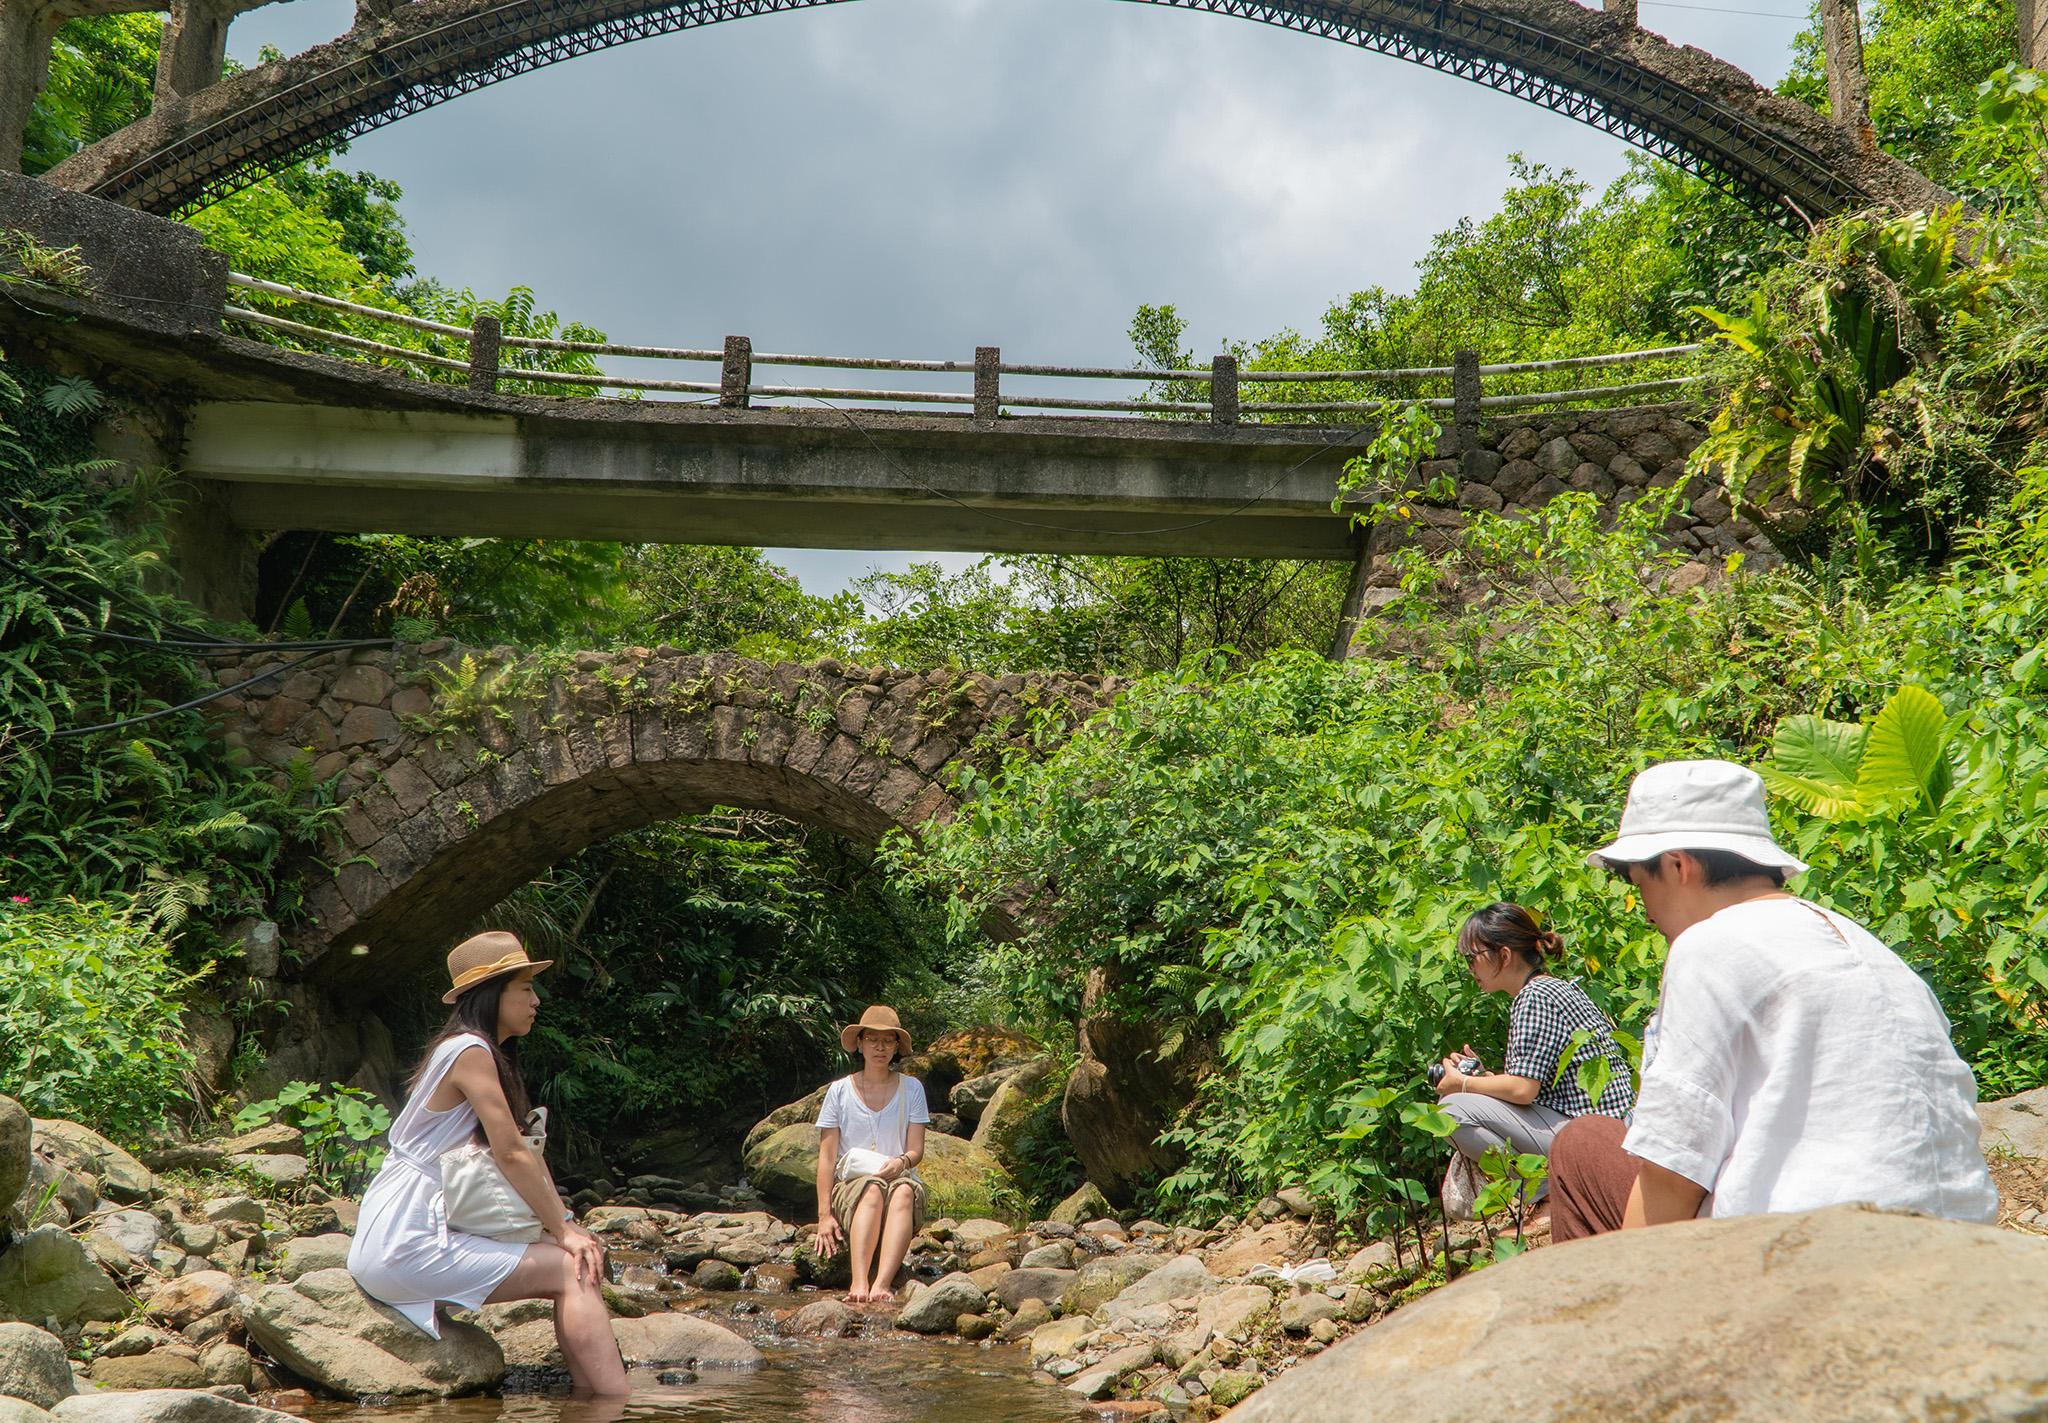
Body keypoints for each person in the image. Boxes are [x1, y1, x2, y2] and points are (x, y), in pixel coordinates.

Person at [1549, 759, 2000, 1242]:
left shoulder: (1709, 944)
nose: (1646, 910)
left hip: (1809, 1247)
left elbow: (1672, 1168)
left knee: (1584, 1143)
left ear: (1679, 865)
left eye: (1642, 885)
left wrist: (1618, 1282)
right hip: (1959, 1234)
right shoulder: (1866, 945)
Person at [348, 931, 627, 1395]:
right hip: (405, 1241)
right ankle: (611, 1404)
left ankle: (595, 1399)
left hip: (403, 1231)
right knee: (570, 1268)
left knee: (572, 1255)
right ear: (491, 993)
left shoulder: (473, 1051)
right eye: (525, 988)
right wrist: (562, 1231)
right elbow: (511, 1153)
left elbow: (525, 1153)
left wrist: (565, 1223)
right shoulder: (470, 1052)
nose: (536, 1000)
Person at [1433, 902, 1635, 1195]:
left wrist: (1462, 1083)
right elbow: (1536, 1088)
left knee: (1452, 1109)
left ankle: (1546, 1195)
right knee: (1464, 1099)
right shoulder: (1552, 988)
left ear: (1503, 955)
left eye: (1472, 957)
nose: (1469, 968)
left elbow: (1523, 1090)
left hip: (1592, 1137)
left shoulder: (1534, 996)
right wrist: (1483, 1079)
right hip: (1609, 1130)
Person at [811, 1004, 930, 1303]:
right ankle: (859, 1282)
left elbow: (916, 1150)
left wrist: (900, 1162)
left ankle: (882, 1284)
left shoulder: (912, 1088)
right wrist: (824, 1216)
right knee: (872, 1188)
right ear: (860, 1044)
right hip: (852, 1185)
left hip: (900, 1177)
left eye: (888, 1040)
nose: (880, 1047)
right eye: (872, 1039)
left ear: (896, 1047)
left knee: (903, 1191)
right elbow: (827, 1159)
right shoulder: (838, 1091)